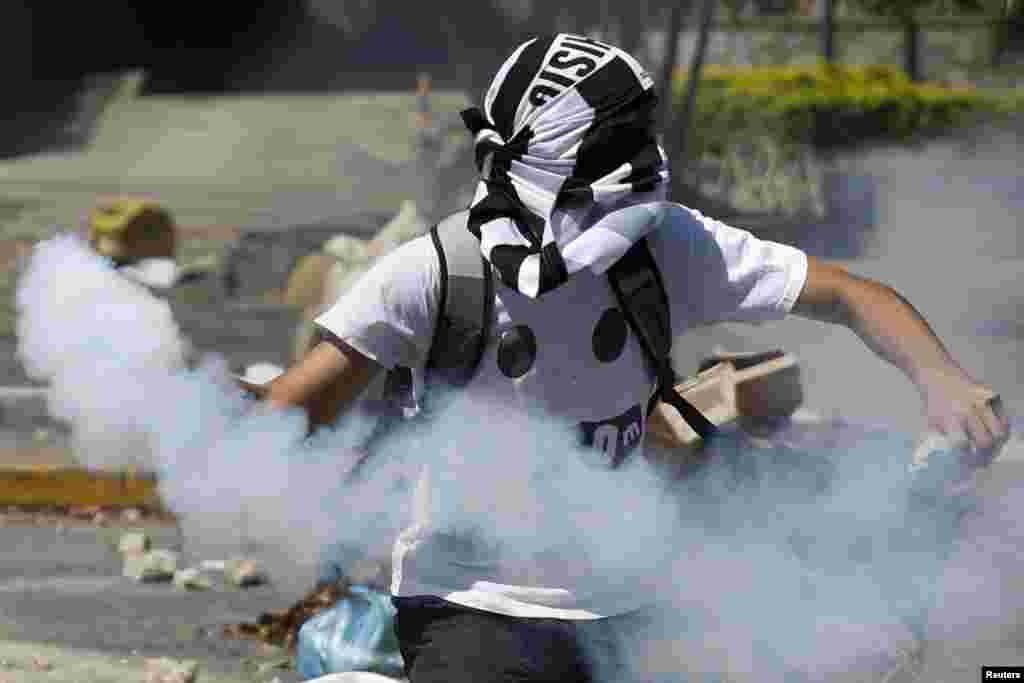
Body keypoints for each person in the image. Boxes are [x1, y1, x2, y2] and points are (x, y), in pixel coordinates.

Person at [245, 34, 1008, 682]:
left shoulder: (667, 243)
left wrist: (941, 378)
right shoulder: (438, 273)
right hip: (472, 607)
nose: (643, 156)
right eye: (619, 143)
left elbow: (846, 293)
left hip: (628, 602)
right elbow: (290, 417)